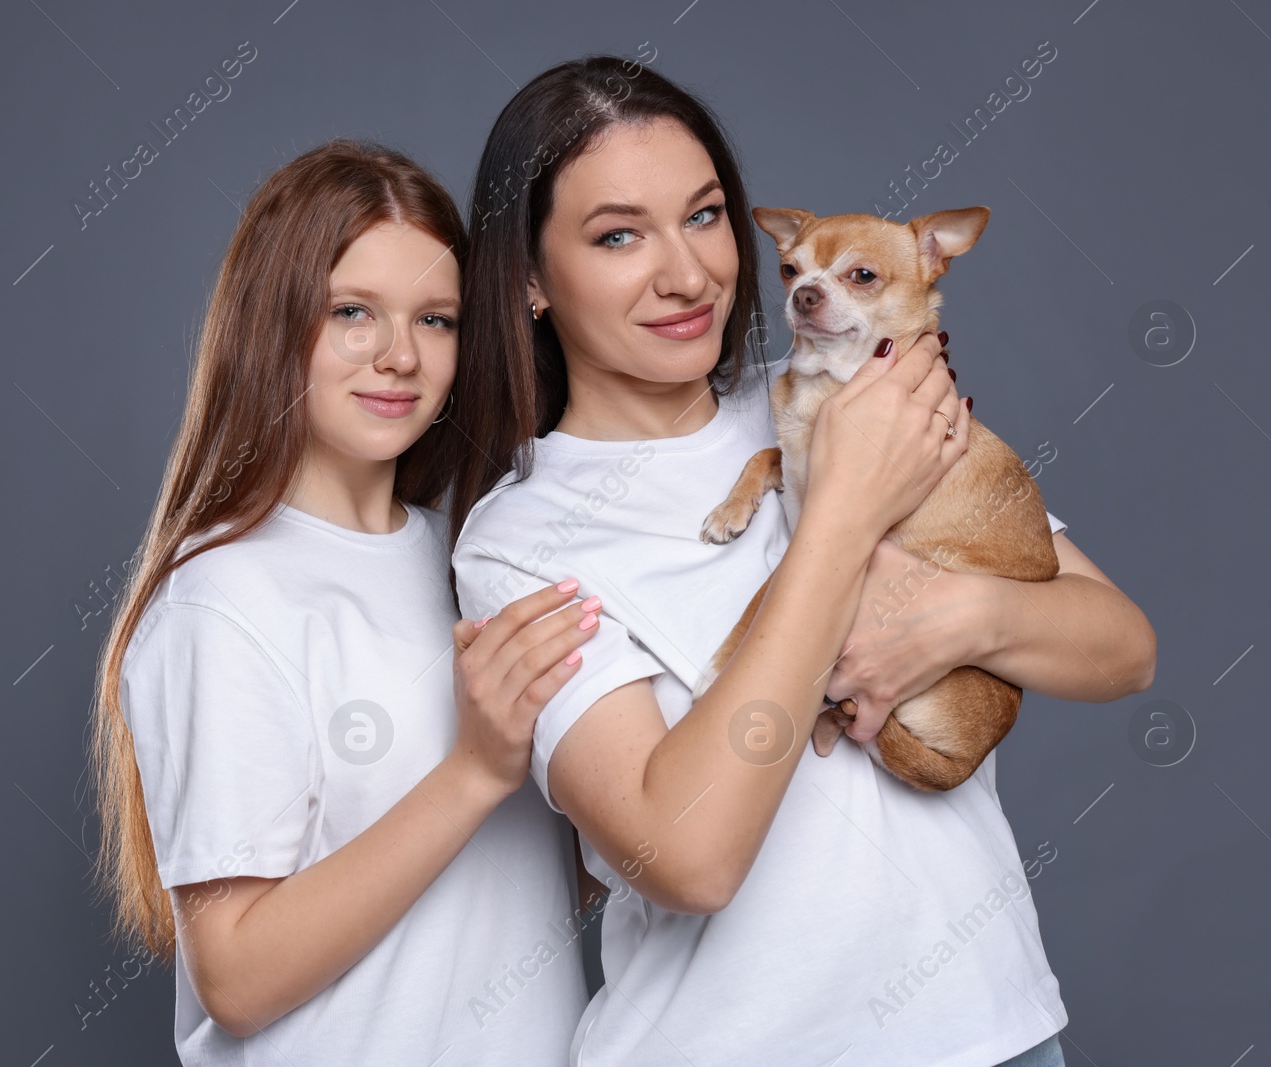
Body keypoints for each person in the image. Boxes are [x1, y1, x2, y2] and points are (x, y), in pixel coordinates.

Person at [449, 57, 1156, 1067]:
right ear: (526, 276)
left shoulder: (857, 386)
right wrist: (844, 514)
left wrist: (957, 618)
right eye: (617, 235)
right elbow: (686, 856)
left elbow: (1122, 647)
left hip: (988, 1029)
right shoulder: (522, 539)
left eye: (703, 217)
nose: (686, 273)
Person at [88, 139, 604, 1064]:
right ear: (274, 323)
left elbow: (527, 886)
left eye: (437, 320)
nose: (399, 356)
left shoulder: (477, 559)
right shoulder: (222, 597)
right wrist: (475, 770)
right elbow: (238, 978)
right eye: (352, 312)